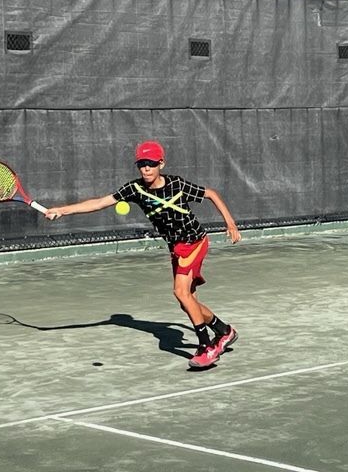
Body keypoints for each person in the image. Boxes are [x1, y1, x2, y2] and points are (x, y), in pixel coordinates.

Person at [45, 140, 241, 369]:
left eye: (150, 163)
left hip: (194, 241)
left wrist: (230, 223)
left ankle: (207, 347)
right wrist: (62, 210)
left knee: (180, 292)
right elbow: (99, 203)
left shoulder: (176, 184)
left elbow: (211, 194)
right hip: (175, 247)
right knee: (188, 302)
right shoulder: (135, 189)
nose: (146, 168)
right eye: (141, 164)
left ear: (161, 164)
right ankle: (224, 331)